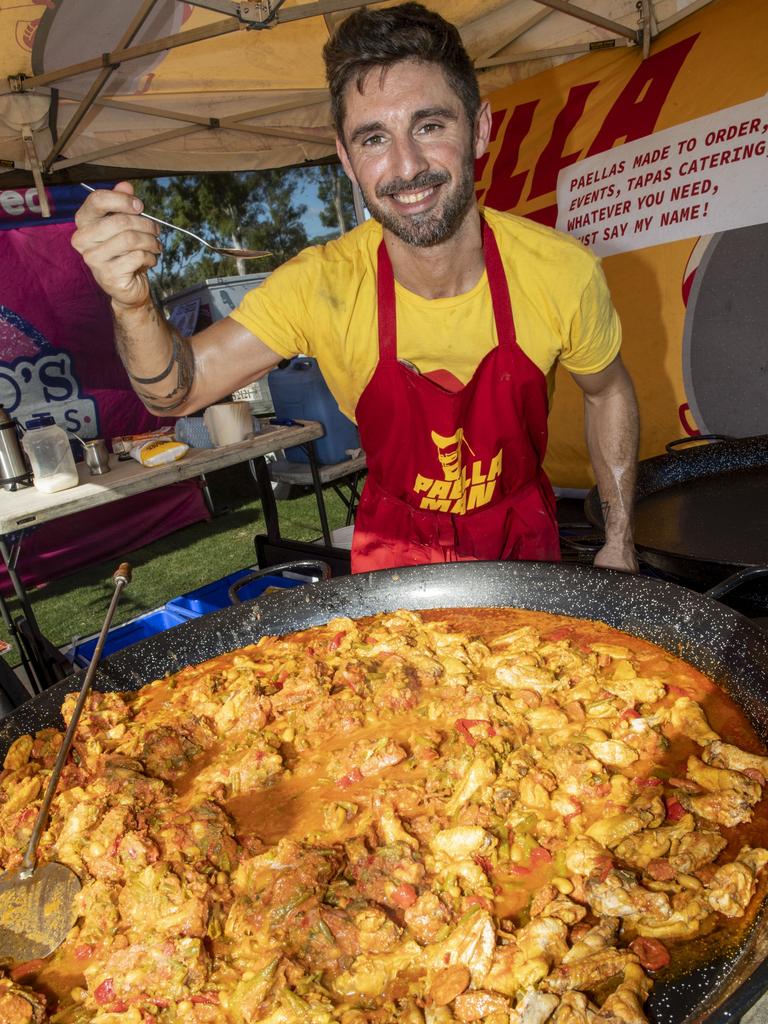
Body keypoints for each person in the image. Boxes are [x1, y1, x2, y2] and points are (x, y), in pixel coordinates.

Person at [72, 2, 639, 574]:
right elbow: (176, 392)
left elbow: (607, 391)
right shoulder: (320, 286)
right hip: (395, 554)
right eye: (374, 139)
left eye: (430, 125)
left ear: (480, 130)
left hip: (524, 540)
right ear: (345, 158)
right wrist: (132, 302)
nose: (406, 165)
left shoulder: (560, 271)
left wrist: (618, 538)